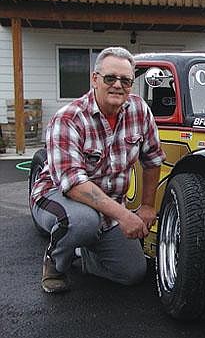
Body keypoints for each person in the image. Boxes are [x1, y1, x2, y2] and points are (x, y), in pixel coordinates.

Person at [30, 47, 166, 293]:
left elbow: (153, 159)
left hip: (109, 205)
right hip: (56, 196)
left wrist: (147, 206)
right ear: (95, 79)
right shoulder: (68, 118)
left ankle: (85, 252)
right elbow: (73, 183)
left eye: (125, 80)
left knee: (132, 273)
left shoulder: (139, 110)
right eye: (110, 78)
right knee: (83, 222)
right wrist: (125, 216)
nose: (117, 85)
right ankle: (56, 263)